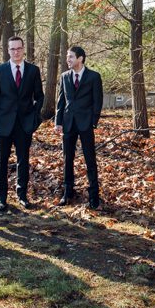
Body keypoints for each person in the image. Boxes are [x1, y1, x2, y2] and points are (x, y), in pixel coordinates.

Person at [0, 36, 44, 212]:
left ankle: (22, 195)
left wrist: (34, 117)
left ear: (23, 49)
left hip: (24, 124)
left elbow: (39, 96)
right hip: (3, 123)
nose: (16, 52)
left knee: (23, 160)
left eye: (19, 48)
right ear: (8, 50)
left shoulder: (33, 71)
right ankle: (1, 197)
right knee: (1, 162)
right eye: (12, 49)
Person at [54, 46, 103, 209]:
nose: (68, 59)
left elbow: (98, 101)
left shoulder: (94, 77)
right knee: (67, 158)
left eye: (71, 57)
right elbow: (61, 101)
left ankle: (94, 196)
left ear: (80, 58)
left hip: (86, 123)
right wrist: (58, 122)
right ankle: (68, 192)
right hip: (68, 123)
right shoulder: (65, 76)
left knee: (90, 159)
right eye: (67, 57)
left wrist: (93, 121)